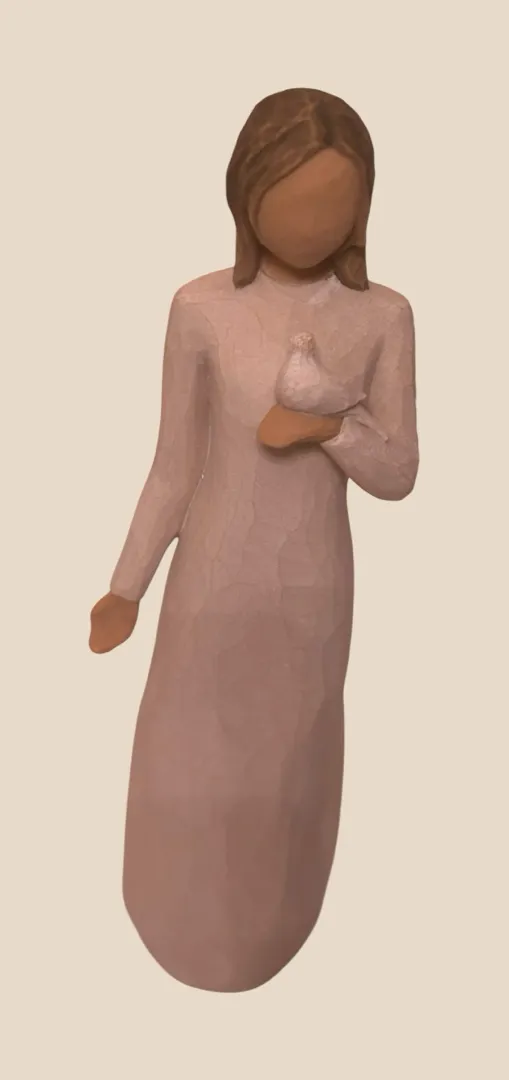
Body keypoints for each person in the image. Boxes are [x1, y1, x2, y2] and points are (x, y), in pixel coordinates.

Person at [89, 87, 419, 992]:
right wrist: (126, 586)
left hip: (311, 594)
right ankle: (171, 914)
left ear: (363, 209)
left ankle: (270, 926)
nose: (311, 224)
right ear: (244, 197)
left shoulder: (382, 316)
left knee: (287, 759)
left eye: (333, 206)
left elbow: (398, 471)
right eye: (291, 202)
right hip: (211, 585)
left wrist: (326, 428)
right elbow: (172, 468)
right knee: (190, 749)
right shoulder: (200, 308)